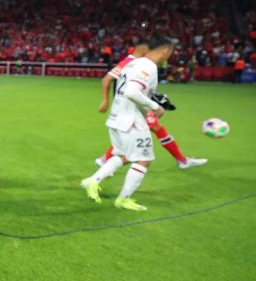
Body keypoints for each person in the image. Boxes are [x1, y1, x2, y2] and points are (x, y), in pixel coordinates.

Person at [81, 37, 175, 211]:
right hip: (131, 121)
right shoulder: (148, 66)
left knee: (123, 155)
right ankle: (123, 199)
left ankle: (93, 181)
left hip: (116, 117)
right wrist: (156, 107)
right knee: (144, 159)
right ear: (165, 51)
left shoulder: (133, 63)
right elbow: (132, 92)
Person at [95, 40, 206, 170]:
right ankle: (105, 162)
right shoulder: (131, 62)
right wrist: (105, 101)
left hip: (134, 106)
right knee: (144, 134)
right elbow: (107, 79)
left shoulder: (136, 63)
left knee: (142, 132)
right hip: (131, 107)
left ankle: (182, 160)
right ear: (145, 50)